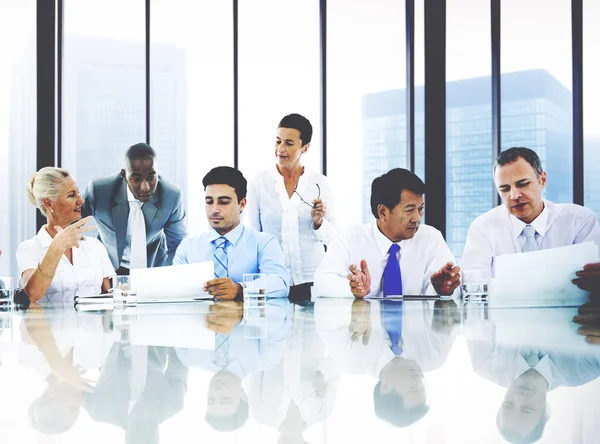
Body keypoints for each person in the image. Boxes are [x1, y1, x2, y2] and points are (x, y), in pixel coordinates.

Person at [461, 147, 600, 291]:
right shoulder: (483, 228)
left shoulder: (580, 221)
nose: (514, 195)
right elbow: (472, 287)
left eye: (523, 184)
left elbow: (592, 285)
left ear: (543, 180)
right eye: (505, 189)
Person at [313, 168, 460, 298]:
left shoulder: (431, 239)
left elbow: (456, 290)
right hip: (364, 328)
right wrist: (353, 289)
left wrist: (444, 292)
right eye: (409, 210)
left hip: (416, 327)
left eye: (420, 209)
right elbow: (322, 282)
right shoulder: (349, 238)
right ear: (383, 212)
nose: (417, 218)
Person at [245, 114, 337, 301]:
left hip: (312, 281)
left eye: (289, 143)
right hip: (273, 282)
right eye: (278, 141)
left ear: (305, 148)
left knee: (310, 330)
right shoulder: (259, 183)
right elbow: (255, 235)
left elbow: (333, 238)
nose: (281, 149)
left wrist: (319, 223)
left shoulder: (320, 184)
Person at [174, 166, 289, 299]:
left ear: (242, 204)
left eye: (223, 202)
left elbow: (280, 283)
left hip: (247, 319)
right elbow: (176, 288)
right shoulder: (188, 247)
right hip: (200, 318)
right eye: (209, 202)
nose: (214, 210)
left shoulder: (263, 243)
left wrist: (240, 290)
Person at [82, 142, 187, 275]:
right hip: (109, 269)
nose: (145, 187)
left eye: (151, 177)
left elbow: (178, 244)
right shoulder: (99, 191)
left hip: (153, 267)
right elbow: (70, 221)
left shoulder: (171, 196)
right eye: (136, 179)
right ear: (124, 175)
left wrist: (164, 275)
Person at [17, 167, 114, 303]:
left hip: (93, 324)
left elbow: (109, 297)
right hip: (50, 325)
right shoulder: (29, 249)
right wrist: (57, 247)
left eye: (78, 194)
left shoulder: (95, 246)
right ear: (49, 203)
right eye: (71, 195)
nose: (81, 200)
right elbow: (32, 296)